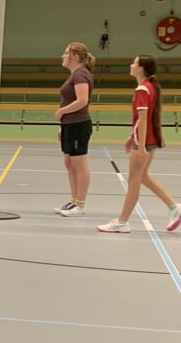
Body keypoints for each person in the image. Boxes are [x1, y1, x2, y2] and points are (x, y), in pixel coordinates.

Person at [97, 55, 180, 233]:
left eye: (134, 63)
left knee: (133, 181)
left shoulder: (142, 89)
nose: (131, 65)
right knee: (143, 177)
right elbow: (144, 120)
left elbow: (143, 120)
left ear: (141, 68)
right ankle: (175, 208)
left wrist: (140, 146)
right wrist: (132, 136)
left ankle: (122, 222)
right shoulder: (149, 87)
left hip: (144, 143)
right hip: (148, 140)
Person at [53, 42, 95, 217]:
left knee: (79, 163)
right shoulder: (74, 75)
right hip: (70, 125)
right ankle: (73, 200)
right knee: (69, 163)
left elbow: (82, 100)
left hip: (79, 124)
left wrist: (62, 111)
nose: (63, 56)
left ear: (75, 56)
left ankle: (81, 203)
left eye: (66, 53)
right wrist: (64, 126)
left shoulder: (81, 75)